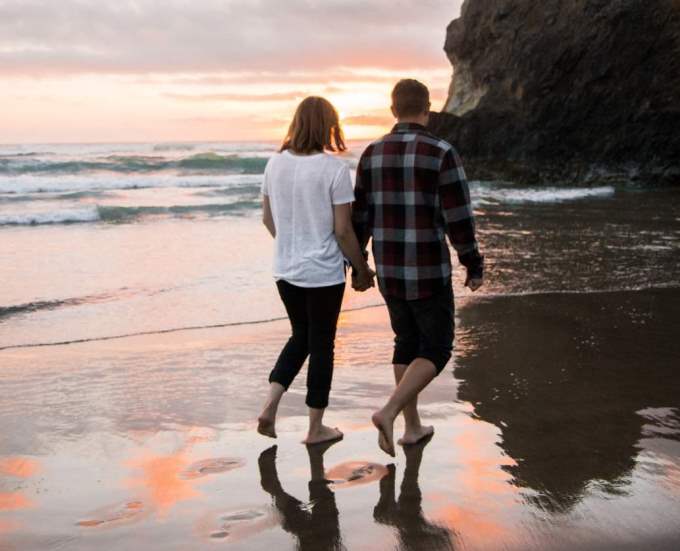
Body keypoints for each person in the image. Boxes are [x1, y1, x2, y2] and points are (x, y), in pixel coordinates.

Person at [352, 79, 484, 456]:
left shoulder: (371, 153)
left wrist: (359, 266)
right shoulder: (441, 152)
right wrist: (472, 263)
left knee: (406, 343)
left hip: (390, 270)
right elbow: (459, 217)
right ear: (427, 108)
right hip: (428, 270)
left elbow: (360, 215)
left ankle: (411, 428)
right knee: (438, 348)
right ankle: (391, 411)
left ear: (393, 110)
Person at [257, 96, 375, 445]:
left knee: (301, 337)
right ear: (329, 125)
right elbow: (343, 230)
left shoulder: (273, 164)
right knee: (321, 343)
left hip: (285, 269)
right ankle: (315, 428)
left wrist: (292, 245)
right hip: (322, 273)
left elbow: (267, 219)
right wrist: (362, 268)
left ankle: (269, 407)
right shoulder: (334, 170)